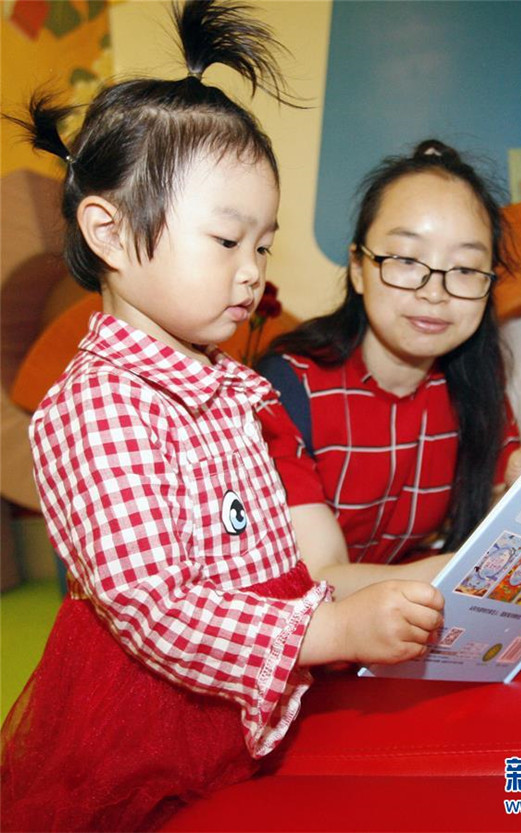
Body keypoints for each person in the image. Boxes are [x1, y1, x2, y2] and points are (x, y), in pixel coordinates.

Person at [0, 4, 443, 831]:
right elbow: (155, 605)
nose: (252, 272)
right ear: (111, 234)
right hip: (152, 713)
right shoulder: (98, 406)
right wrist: (327, 629)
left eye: (263, 245)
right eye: (227, 240)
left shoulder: (223, 383)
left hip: (249, 682)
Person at [257, 139, 521, 599]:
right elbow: (319, 578)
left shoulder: (474, 383)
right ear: (358, 268)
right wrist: (473, 570)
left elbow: (490, 517)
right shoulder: (288, 386)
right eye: (406, 259)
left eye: (466, 269)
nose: (434, 292)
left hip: (405, 623)